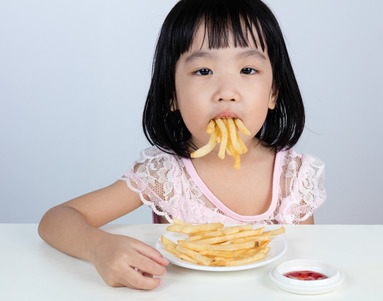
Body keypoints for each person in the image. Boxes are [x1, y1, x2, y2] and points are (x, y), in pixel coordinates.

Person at [38, 0, 326, 291]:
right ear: (172, 95)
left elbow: (304, 266)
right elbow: (56, 220)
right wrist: (100, 248)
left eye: (248, 69)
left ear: (273, 93)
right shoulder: (164, 175)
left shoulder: (294, 176)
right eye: (203, 71)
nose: (226, 92)